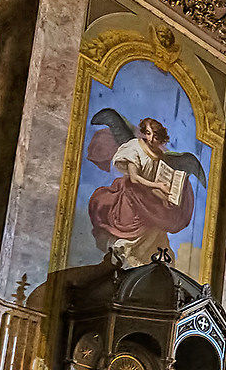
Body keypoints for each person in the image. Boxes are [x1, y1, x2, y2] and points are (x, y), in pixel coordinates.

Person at [85, 109, 204, 264]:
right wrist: (158, 186)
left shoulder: (159, 156)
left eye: (155, 136)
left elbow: (155, 183)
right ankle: (126, 255)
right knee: (135, 234)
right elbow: (134, 179)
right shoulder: (135, 147)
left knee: (158, 226)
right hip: (132, 196)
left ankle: (148, 261)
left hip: (149, 196)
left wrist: (166, 196)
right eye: (148, 133)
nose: (150, 138)